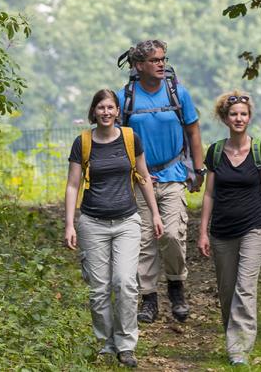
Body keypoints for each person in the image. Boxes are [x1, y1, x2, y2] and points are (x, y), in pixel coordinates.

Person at [64, 89, 164, 369]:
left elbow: (143, 177)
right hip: (92, 223)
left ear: (118, 111)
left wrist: (155, 214)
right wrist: (69, 223)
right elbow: (73, 185)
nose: (106, 112)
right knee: (98, 289)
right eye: (101, 107)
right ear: (93, 111)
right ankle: (105, 344)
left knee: (125, 283)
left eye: (111, 107)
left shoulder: (131, 139)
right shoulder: (82, 142)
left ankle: (126, 344)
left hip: (127, 221)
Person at [116, 39, 205, 323]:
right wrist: (130, 171)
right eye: (155, 60)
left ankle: (177, 286)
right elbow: (118, 139)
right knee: (145, 239)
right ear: (139, 65)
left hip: (173, 175)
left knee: (172, 234)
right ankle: (149, 299)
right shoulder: (125, 98)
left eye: (163, 59)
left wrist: (198, 169)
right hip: (141, 179)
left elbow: (193, 132)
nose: (161, 64)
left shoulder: (178, 93)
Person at [197, 90, 261, 366]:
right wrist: (203, 231)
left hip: (254, 226)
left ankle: (239, 350)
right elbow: (208, 194)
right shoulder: (216, 151)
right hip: (222, 230)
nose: (239, 118)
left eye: (243, 114)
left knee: (245, 287)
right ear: (225, 118)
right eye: (234, 114)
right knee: (227, 289)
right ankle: (233, 337)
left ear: (249, 117)